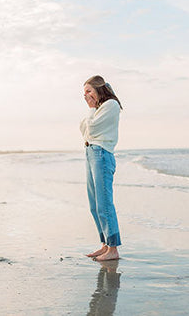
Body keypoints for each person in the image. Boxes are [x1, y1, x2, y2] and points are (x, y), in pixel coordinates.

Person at [80, 75, 123, 261]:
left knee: (104, 203)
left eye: (89, 91)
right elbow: (85, 131)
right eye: (84, 92)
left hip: (101, 153)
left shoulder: (111, 105)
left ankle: (113, 248)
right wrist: (91, 114)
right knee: (94, 205)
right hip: (90, 152)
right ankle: (105, 244)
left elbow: (92, 128)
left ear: (99, 89)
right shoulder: (98, 109)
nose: (86, 95)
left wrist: (90, 111)